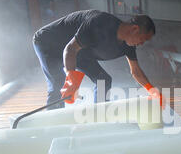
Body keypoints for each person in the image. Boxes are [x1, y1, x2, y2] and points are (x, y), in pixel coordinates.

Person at [33, 9, 161, 109]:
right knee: (58, 84)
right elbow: (70, 49)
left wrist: (152, 91)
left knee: (103, 80)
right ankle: (52, 125)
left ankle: (99, 116)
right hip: (49, 42)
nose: (142, 44)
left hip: (80, 51)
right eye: (143, 39)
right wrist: (71, 81)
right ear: (134, 29)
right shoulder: (99, 22)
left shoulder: (128, 45)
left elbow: (136, 71)